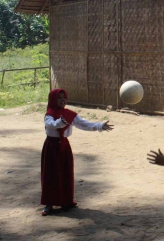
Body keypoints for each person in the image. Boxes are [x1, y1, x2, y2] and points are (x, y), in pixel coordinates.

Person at [41, 88, 114, 216]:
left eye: (64, 97)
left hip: (64, 147)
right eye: (59, 97)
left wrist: (99, 125)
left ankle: (66, 201)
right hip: (51, 147)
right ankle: (49, 203)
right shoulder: (49, 113)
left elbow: (84, 124)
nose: (62, 100)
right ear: (53, 99)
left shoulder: (69, 114)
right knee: (50, 174)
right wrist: (60, 122)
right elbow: (51, 124)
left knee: (66, 173)